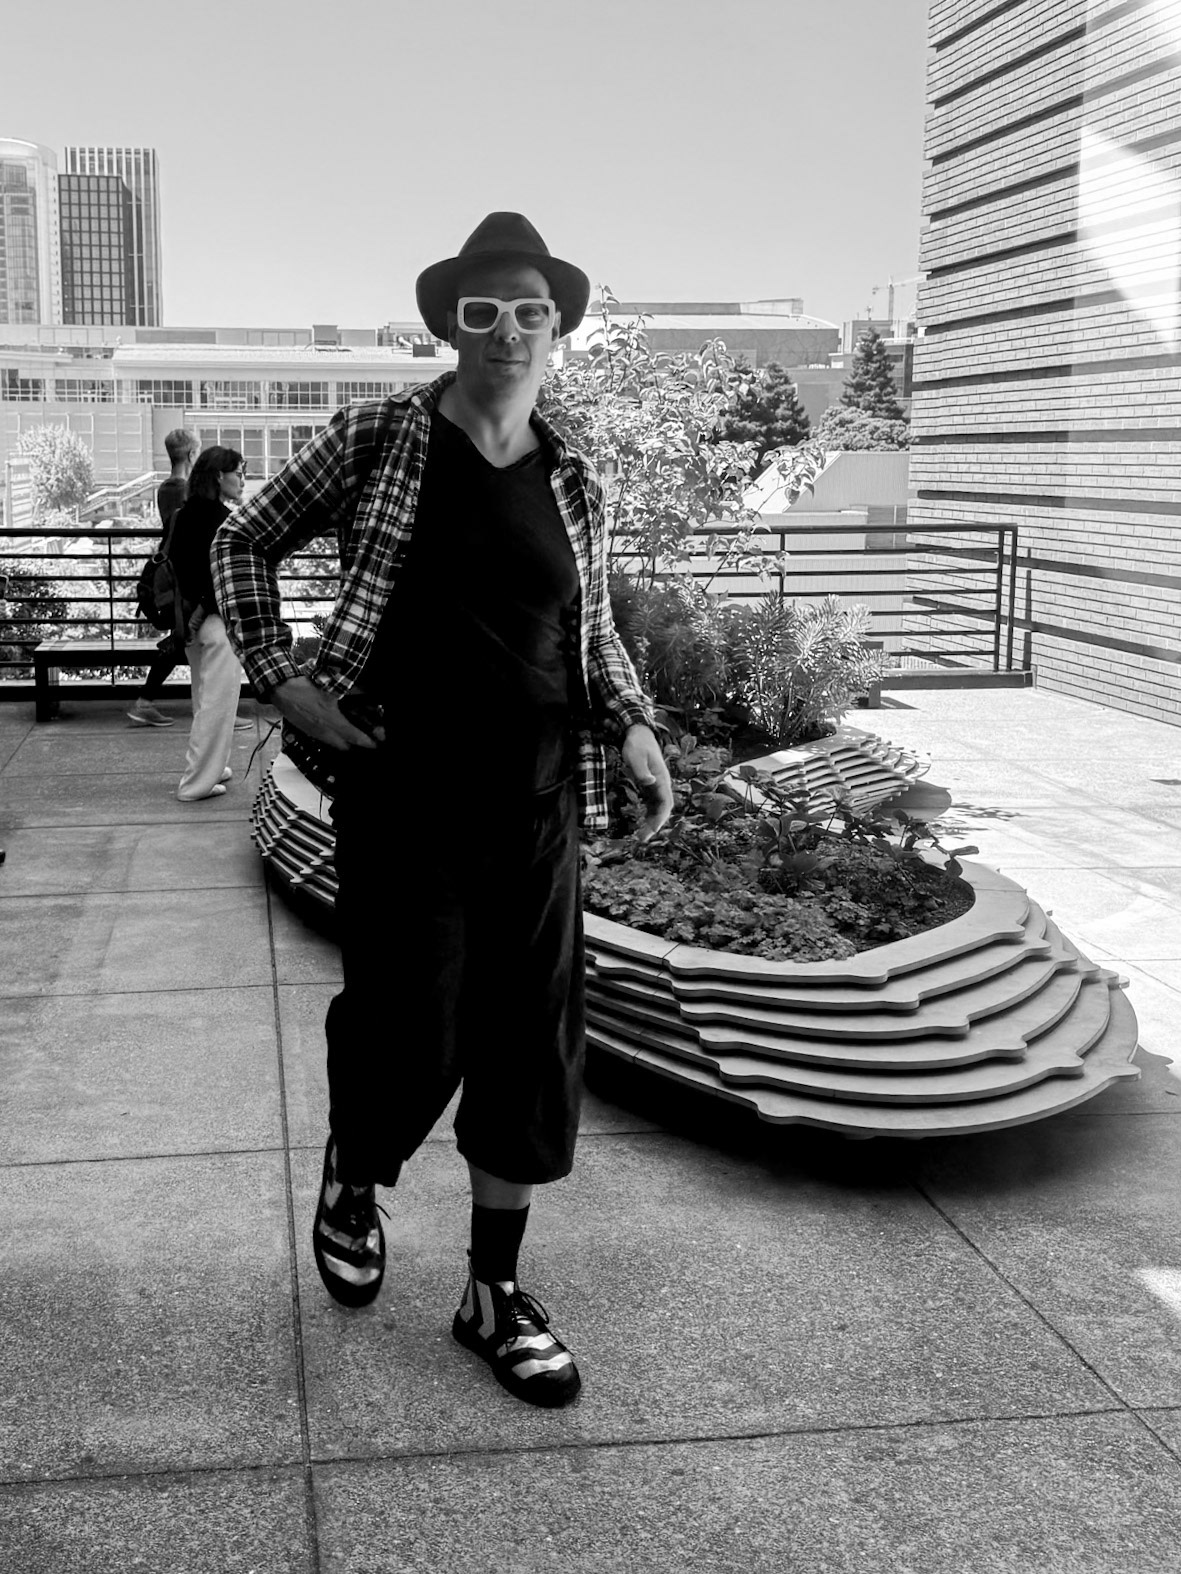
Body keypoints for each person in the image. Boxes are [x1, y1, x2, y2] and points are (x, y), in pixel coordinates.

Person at [213, 212, 673, 1409]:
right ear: (449, 327)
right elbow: (243, 540)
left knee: (529, 1043)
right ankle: (355, 1169)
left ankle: (490, 1292)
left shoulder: (576, 473)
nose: (507, 330)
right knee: (412, 1023)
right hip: (402, 788)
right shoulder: (378, 438)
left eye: (530, 311)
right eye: (483, 311)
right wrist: (282, 675)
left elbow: (590, 631)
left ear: (558, 331)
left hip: (538, 800)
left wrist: (631, 721)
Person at [172, 446, 247, 802]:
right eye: (239, 473)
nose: (242, 480)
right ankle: (196, 784)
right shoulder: (225, 521)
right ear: (220, 475)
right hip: (217, 623)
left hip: (187, 621)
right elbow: (225, 580)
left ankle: (212, 768)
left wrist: (193, 614)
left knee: (204, 702)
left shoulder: (183, 514)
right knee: (218, 706)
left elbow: (179, 568)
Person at [127, 427, 197, 728]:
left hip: (169, 571)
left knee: (184, 638)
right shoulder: (185, 490)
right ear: (192, 454)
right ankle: (146, 702)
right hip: (184, 574)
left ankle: (147, 702)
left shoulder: (165, 488)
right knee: (188, 637)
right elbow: (186, 534)